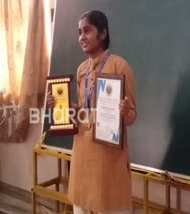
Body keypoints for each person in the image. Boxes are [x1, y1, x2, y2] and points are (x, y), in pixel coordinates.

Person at [47, 10, 137, 214]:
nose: (81, 37)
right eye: (79, 32)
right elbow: (83, 110)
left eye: (87, 31)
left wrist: (124, 111)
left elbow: (132, 116)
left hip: (108, 157)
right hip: (82, 152)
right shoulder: (81, 69)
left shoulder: (120, 66)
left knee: (111, 206)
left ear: (103, 33)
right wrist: (65, 106)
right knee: (81, 206)